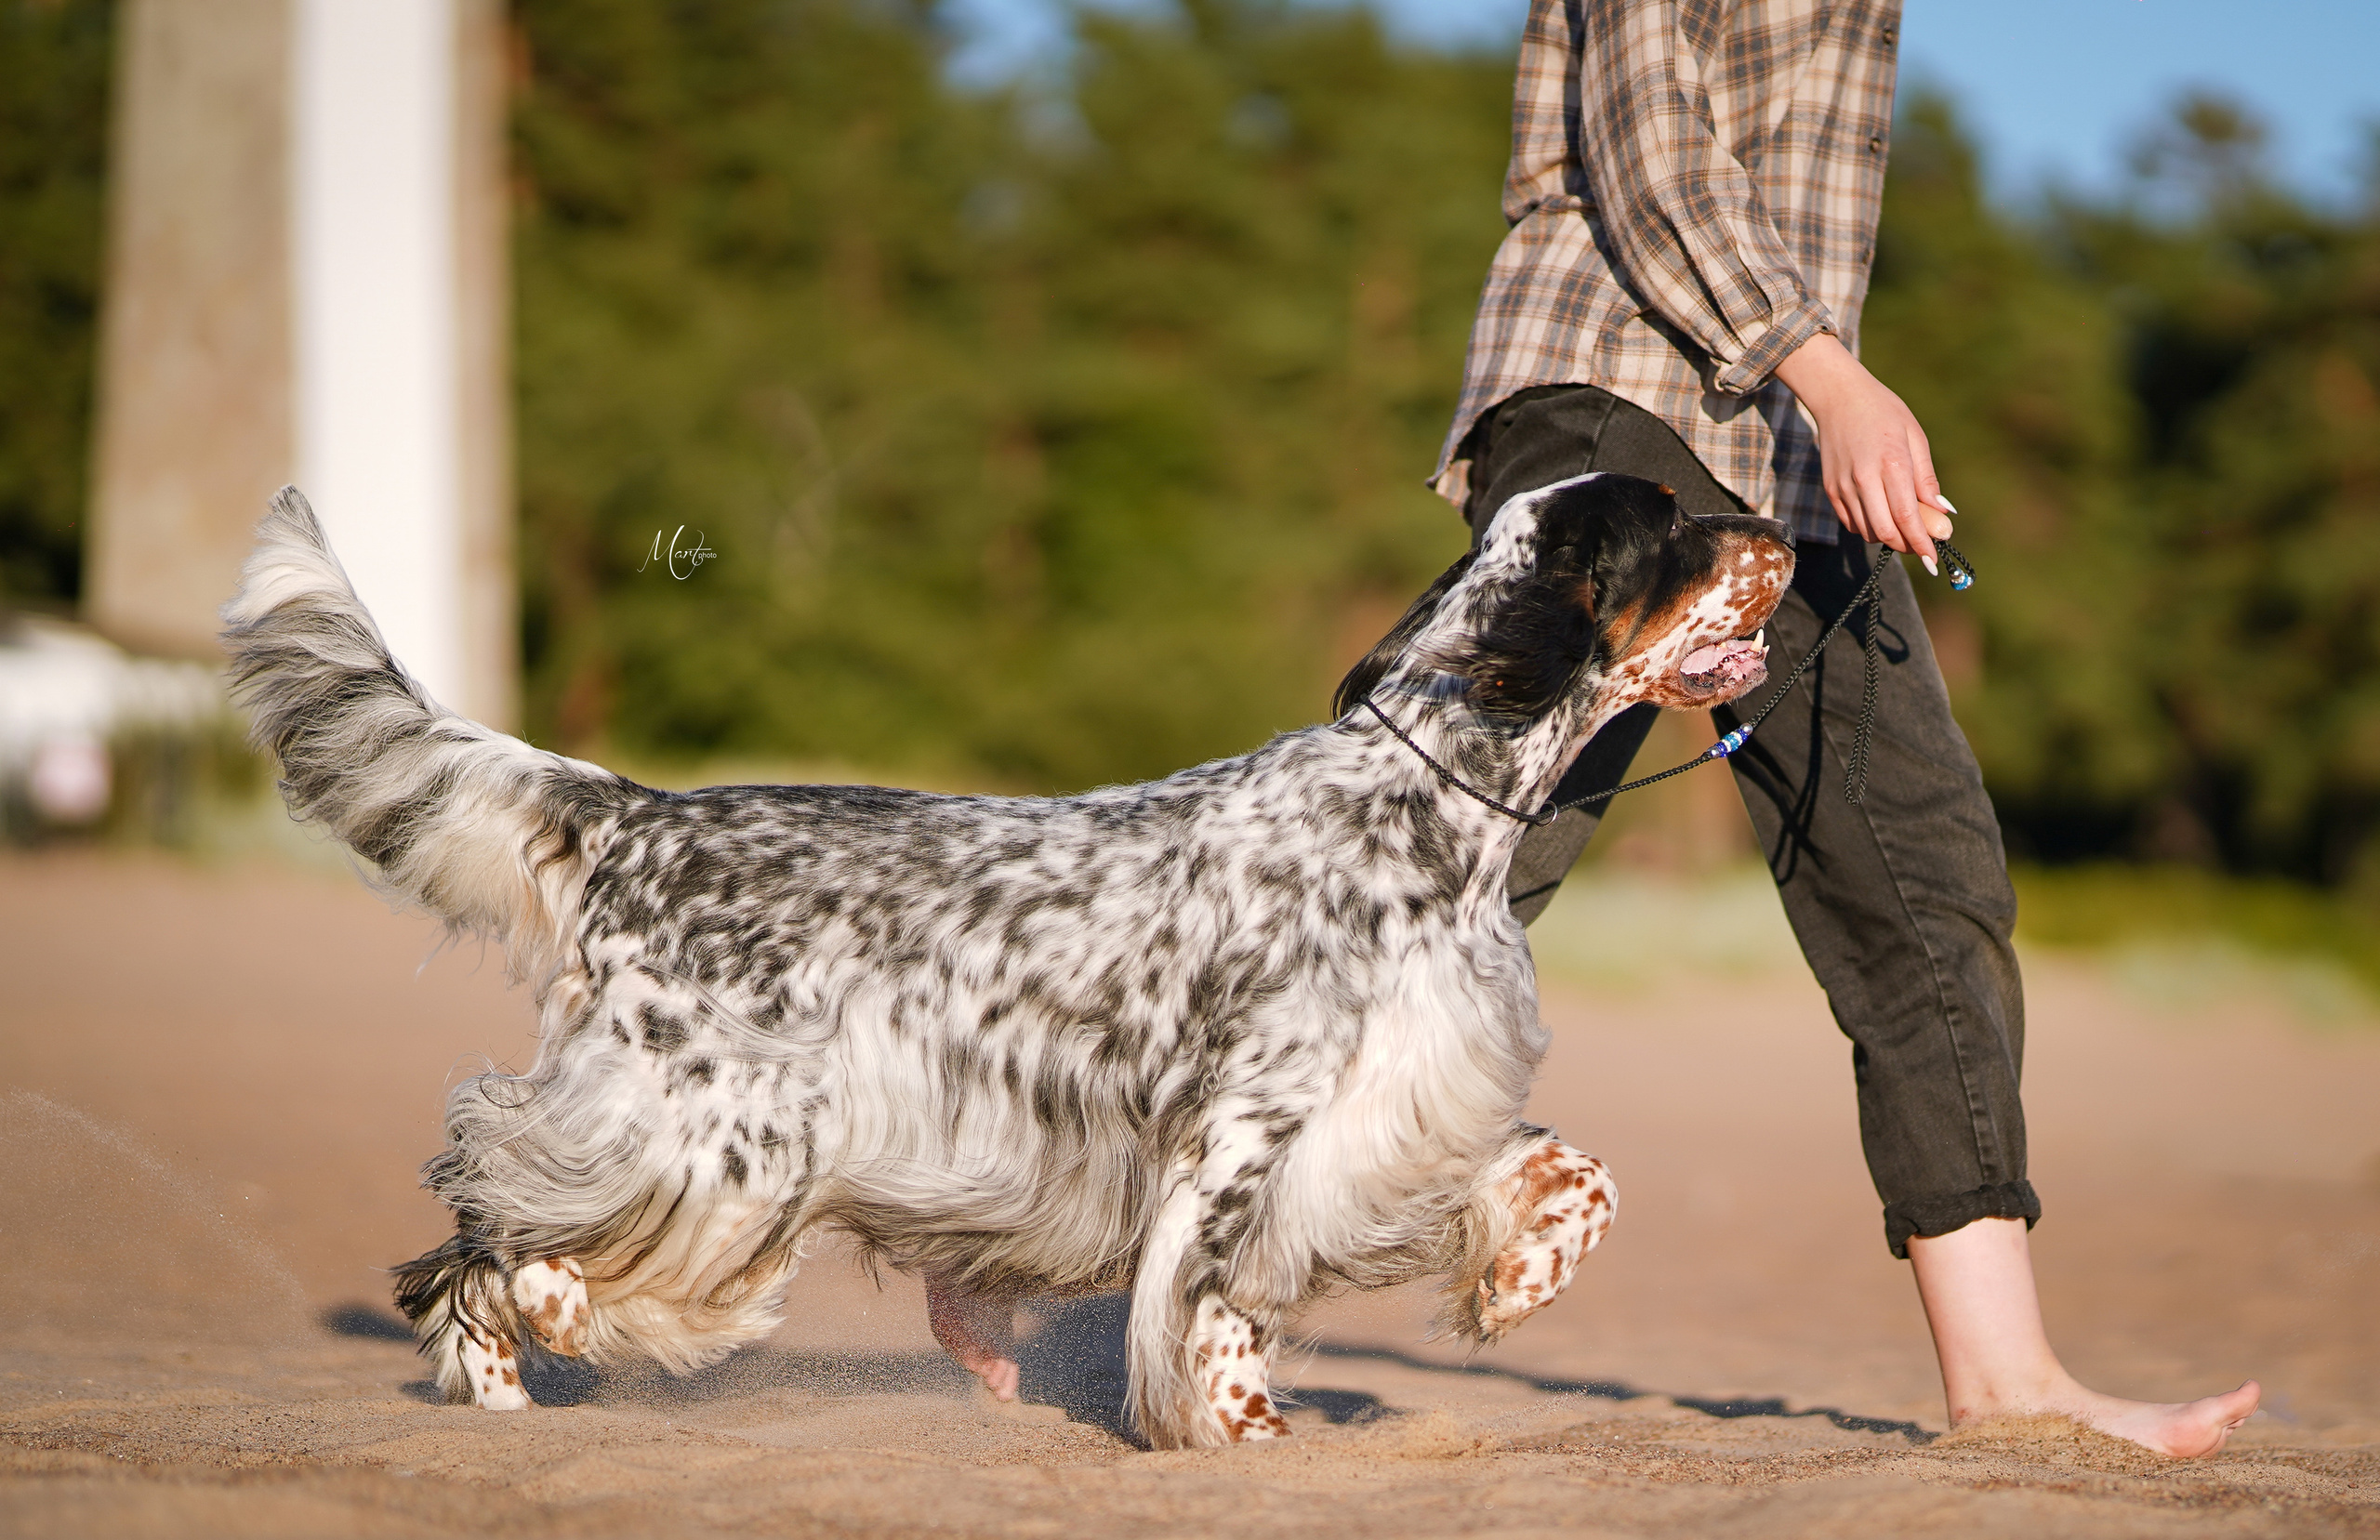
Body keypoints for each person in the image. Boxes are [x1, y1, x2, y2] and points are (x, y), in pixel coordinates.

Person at [1432, 0, 2258, 1456]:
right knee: (1439, 857)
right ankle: (1086, 1244)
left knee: (1924, 878)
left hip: (1789, 463)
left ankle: (2006, 1381)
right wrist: (1839, 377)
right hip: (1619, 398)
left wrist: (1824, 404)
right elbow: (1651, 153)